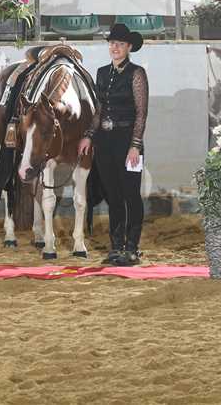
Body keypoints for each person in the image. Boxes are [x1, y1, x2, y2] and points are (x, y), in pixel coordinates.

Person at [78, 23, 148, 267]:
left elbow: (141, 113)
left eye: (120, 44)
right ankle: (117, 246)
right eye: (112, 43)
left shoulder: (137, 73)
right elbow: (99, 110)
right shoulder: (101, 73)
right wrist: (89, 135)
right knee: (113, 195)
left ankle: (132, 248)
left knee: (131, 194)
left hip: (128, 141)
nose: (115, 47)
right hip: (105, 141)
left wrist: (135, 145)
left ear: (129, 47)